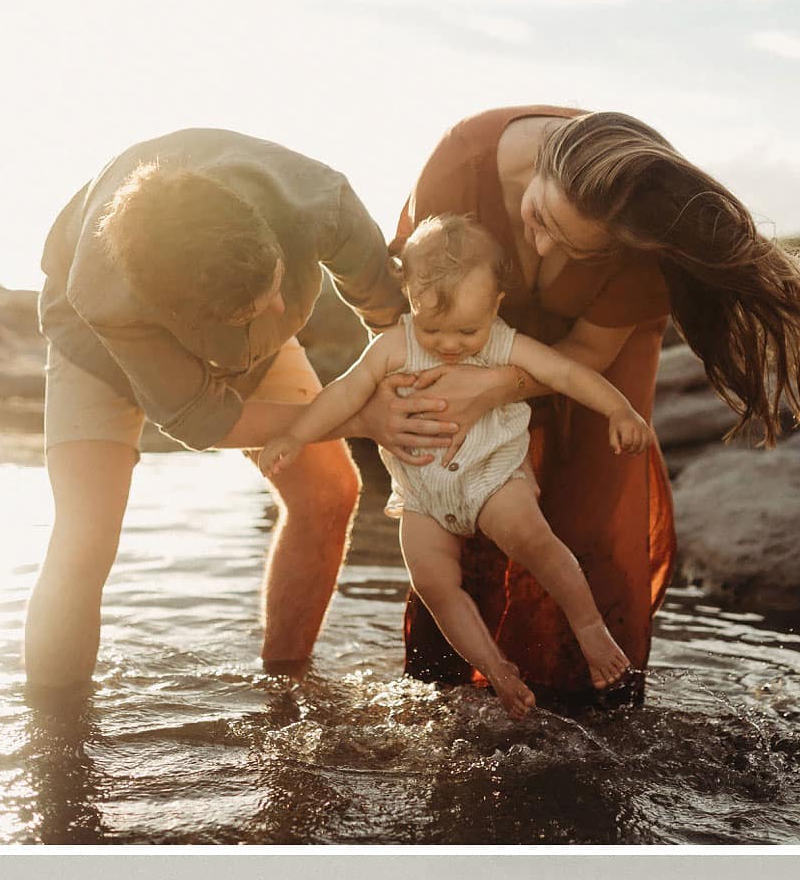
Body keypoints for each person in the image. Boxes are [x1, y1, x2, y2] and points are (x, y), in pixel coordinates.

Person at [393, 104, 800, 704]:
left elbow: (587, 350)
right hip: (479, 334)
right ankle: (458, 688)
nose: (538, 248)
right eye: (540, 217)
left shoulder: (642, 240)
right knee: (469, 494)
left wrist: (493, 388)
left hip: (595, 349)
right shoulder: (458, 170)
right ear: (545, 162)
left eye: (570, 247)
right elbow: (416, 313)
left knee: (592, 512)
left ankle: (586, 693)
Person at [25, 126, 404, 691]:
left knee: (328, 493)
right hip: (95, 352)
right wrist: (362, 417)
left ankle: (285, 690)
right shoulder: (106, 296)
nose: (279, 306)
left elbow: (394, 318)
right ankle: (55, 735)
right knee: (86, 538)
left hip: (248, 312)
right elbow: (198, 419)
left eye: (277, 284)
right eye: (250, 310)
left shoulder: (323, 204)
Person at [259, 210, 655, 714]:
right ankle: (497, 670)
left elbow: (567, 374)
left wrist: (619, 409)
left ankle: (591, 630)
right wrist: (297, 434)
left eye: (467, 330)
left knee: (534, 540)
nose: (450, 344)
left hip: (493, 477)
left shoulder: (503, 342)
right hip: (423, 498)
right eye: (434, 328)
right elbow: (343, 394)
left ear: (496, 303)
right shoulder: (394, 344)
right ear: (410, 300)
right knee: (432, 583)